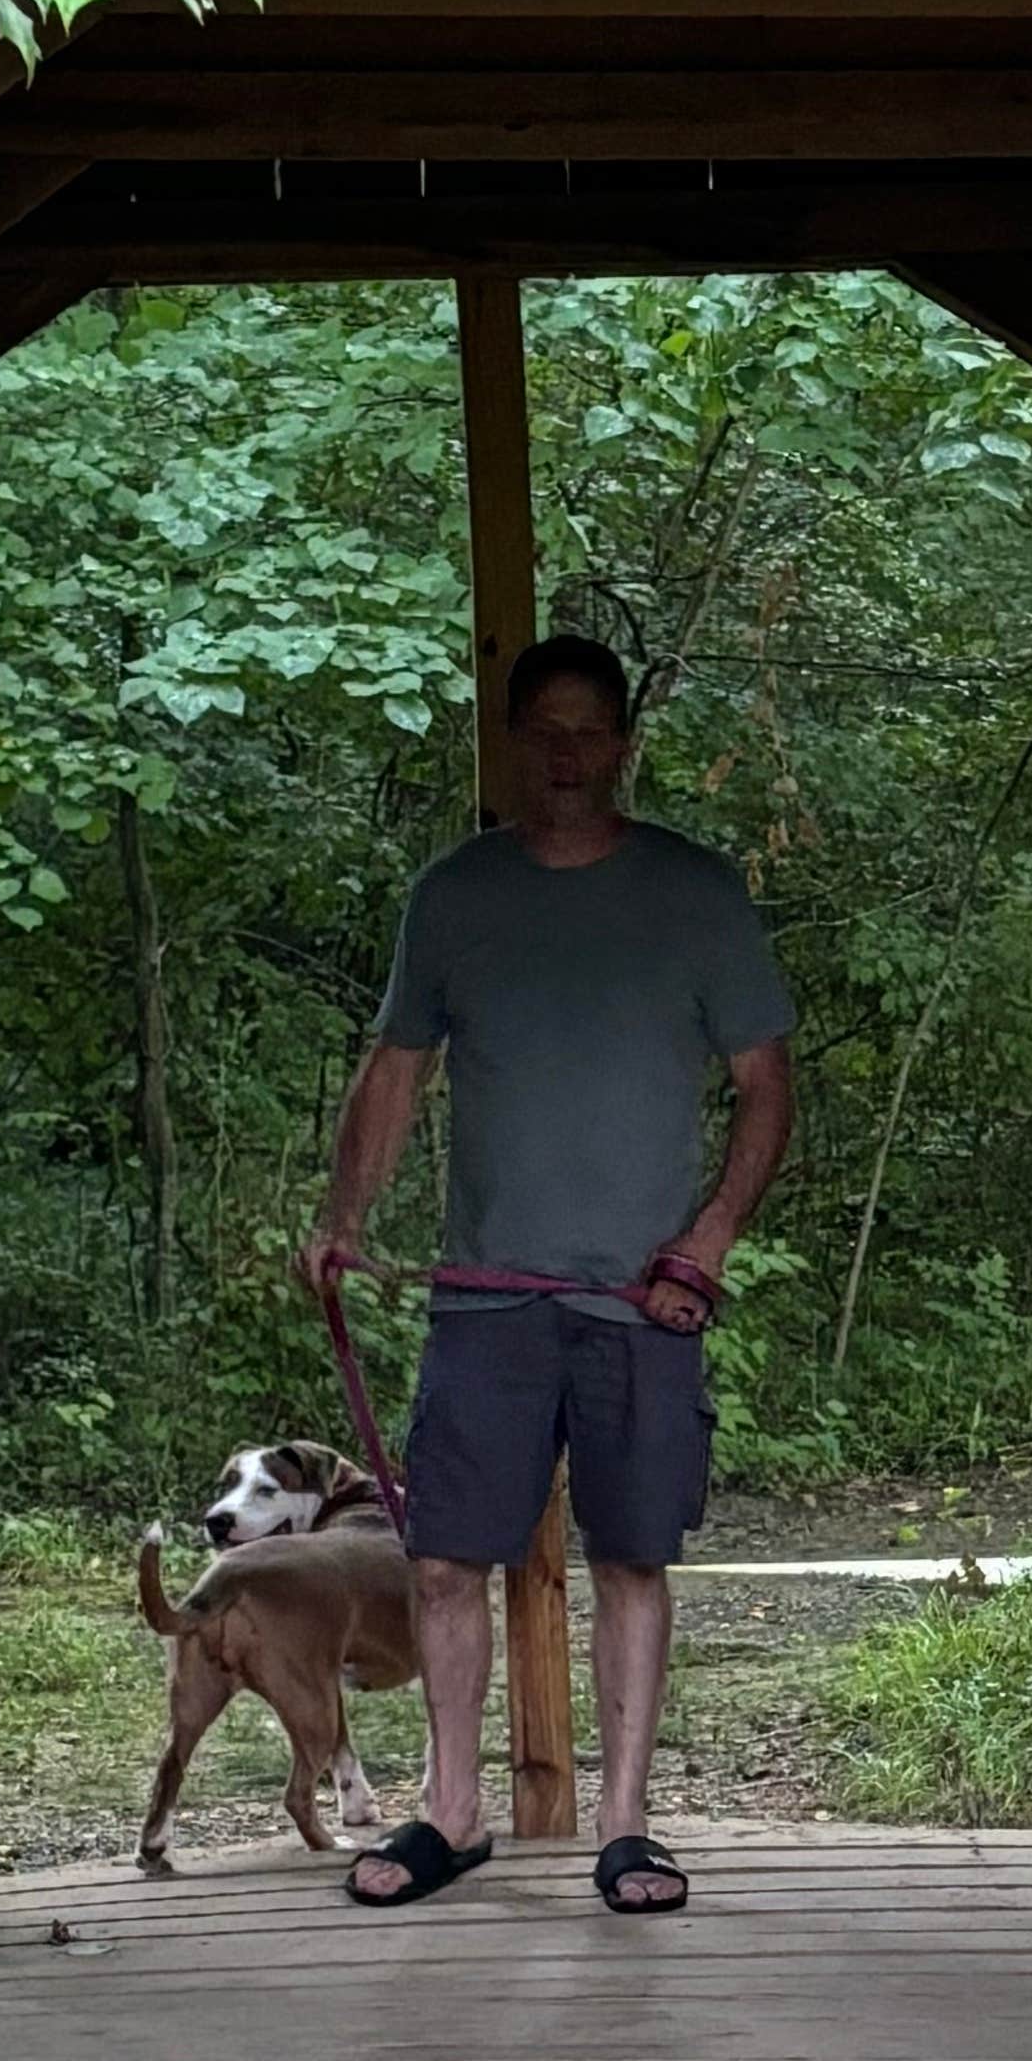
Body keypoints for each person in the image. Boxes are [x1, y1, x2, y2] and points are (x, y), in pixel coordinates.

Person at [298, 631, 794, 1917]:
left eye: (588, 732)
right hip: (486, 1298)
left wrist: (709, 1240)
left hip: (642, 1301)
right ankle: (450, 1812)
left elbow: (766, 1087)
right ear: (513, 745)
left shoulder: (696, 894)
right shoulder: (454, 896)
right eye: (543, 733)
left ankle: (626, 1827)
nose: (566, 757)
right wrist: (341, 1217)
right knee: (447, 1559)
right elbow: (396, 1070)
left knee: (633, 1558)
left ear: (622, 744)